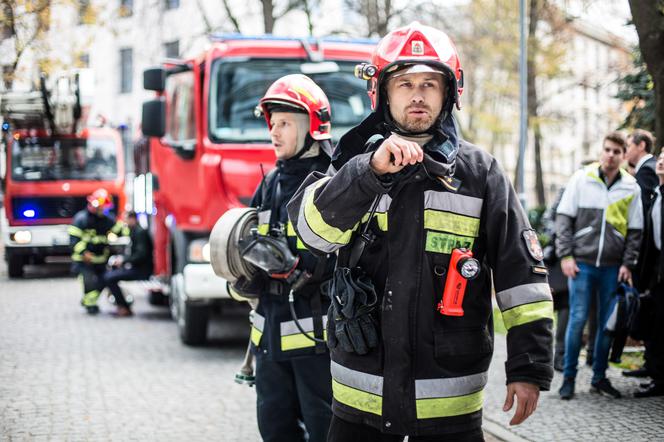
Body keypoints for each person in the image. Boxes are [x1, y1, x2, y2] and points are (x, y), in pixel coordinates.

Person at [288, 22, 554, 441]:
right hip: (361, 404)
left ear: (449, 93)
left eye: (430, 83)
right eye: (405, 83)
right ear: (382, 93)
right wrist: (368, 172)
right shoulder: (354, 164)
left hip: (448, 408)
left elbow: (523, 282)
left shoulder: (480, 174)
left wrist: (529, 368)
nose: (417, 94)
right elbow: (312, 235)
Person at [234, 74, 336, 442]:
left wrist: (300, 271)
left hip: (315, 339)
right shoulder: (271, 182)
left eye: (285, 124)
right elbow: (249, 241)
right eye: (272, 123)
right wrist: (243, 278)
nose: (274, 133)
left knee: (323, 428)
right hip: (269, 336)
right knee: (274, 427)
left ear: (312, 127)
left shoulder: (331, 182)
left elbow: (349, 258)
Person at [555, 131, 643, 400]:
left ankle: (599, 377)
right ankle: (568, 378)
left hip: (612, 268)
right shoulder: (582, 178)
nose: (611, 155)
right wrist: (566, 256)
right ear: (601, 150)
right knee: (577, 319)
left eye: (617, 151)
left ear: (623, 154)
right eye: (607, 150)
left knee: (607, 324)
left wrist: (628, 264)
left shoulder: (631, 187)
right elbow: (563, 218)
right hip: (581, 264)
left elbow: (636, 230)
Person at [624, 129, 658, 378]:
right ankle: (650, 361)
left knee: (649, 308)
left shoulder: (647, 171)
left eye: (628, 146)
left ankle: (653, 364)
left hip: (649, 258)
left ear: (641, 145)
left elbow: (643, 217)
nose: (626, 152)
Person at [634, 150, 664, 397]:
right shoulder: (657, 195)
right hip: (657, 274)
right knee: (655, 324)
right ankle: (656, 375)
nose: (661, 161)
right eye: (662, 156)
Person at [68, 189, 126, 314]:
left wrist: (127, 225)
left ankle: (89, 302)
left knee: (104, 281)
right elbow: (74, 241)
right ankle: (90, 305)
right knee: (89, 283)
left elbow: (119, 230)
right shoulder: (81, 219)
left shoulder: (107, 219)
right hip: (84, 261)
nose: (102, 210)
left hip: (100, 259)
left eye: (104, 208)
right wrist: (84, 253)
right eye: (100, 208)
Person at [103, 211, 154, 317]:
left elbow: (141, 254)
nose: (125, 222)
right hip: (137, 267)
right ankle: (122, 306)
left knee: (109, 278)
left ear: (133, 219)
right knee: (110, 274)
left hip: (142, 270)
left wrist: (124, 260)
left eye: (126, 219)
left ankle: (124, 308)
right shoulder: (134, 231)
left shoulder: (140, 232)